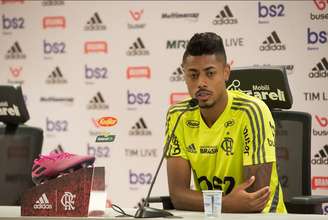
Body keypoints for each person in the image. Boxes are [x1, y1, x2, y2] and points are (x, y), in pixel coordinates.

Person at [165, 32, 286, 213]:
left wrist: (211, 203)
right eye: (193, 75)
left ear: (226, 72)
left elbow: (253, 200)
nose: (201, 83)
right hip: (212, 215)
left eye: (210, 73)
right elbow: (178, 196)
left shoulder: (252, 112)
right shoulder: (178, 115)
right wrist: (225, 203)